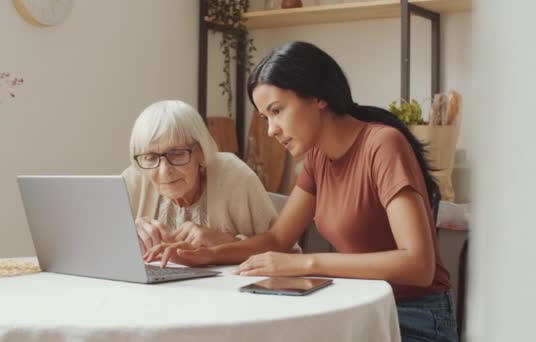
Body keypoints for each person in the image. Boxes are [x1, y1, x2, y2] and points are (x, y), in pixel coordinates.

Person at [145, 42, 458, 342]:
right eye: (266, 117)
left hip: (414, 317)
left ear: (318, 97)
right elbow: (277, 239)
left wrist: (304, 263)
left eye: (278, 111)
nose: (271, 129)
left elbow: (418, 265)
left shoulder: (383, 144)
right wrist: (208, 256)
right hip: (355, 307)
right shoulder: (318, 158)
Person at [122, 100, 278, 254]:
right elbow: (102, 251)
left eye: (177, 154)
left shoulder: (235, 177)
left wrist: (228, 243)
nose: (164, 171)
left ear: (201, 151)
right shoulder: (132, 180)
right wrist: (126, 236)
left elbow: (285, 251)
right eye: (151, 157)